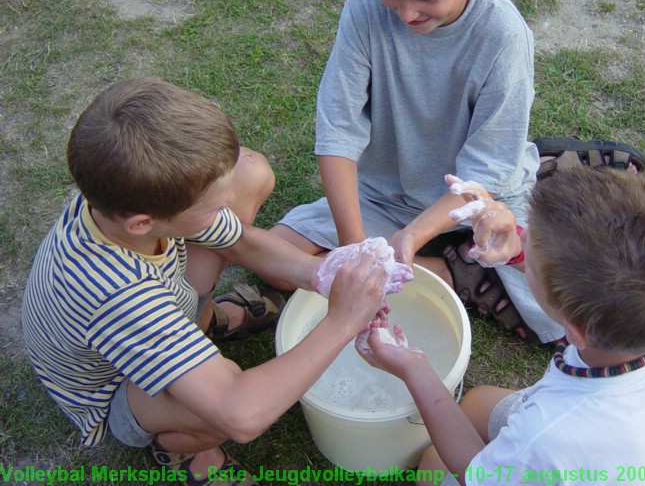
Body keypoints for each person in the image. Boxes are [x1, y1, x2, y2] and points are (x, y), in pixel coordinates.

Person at [271, 0, 645, 345]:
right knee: (283, 262)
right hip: (385, 194)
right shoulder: (364, 6)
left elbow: (484, 170)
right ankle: (462, 263)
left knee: (567, 319)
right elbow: (338, 132)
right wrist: (355, 248)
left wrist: (410, 238)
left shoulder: (502, 35)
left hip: (480, 198)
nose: (406, 13)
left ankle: (472, 259)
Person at [21, 78, 405, 486]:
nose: (226, 205)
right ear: (143, 223)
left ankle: (201, 322)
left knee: (249, 173)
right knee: (223, 400)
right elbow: (242, 415)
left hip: (151, 307)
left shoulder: (117, 197)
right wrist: (343, 321)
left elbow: (238, 239)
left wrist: (321, 274)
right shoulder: (118, 294)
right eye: (212, 205)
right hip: (116, 389)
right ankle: (184, 449)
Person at [358, 167, 645, 485]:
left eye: (527, 258)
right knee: (477, 403)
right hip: (641, 449)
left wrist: (415, 368)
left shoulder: (550, 436)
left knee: (436, 463)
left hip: (568, 457)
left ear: (575, 330)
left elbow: (474, 474)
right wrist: (517, 250)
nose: (521, 238)